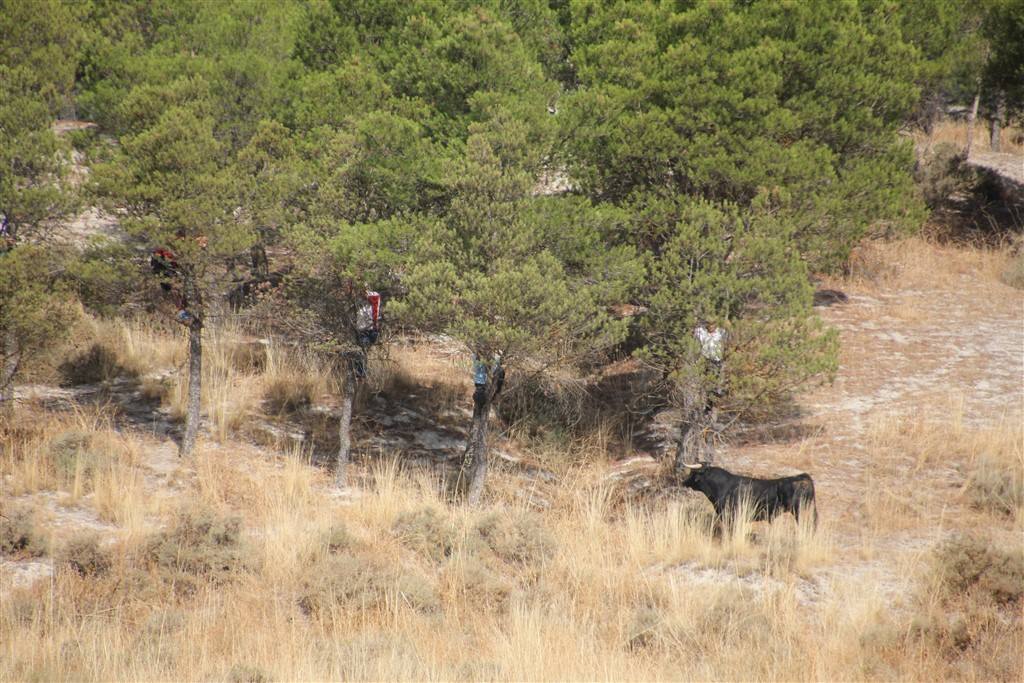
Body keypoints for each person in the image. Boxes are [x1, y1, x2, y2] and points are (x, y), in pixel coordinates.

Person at [694, 320, 726, 417]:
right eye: (709, 324)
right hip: (705, 360)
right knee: (704, 384)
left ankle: (710, 406)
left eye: (713, 324)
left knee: (713, 384)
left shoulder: (721, 332)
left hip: (716, 360)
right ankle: (703, 405)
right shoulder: (701, 332)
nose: (711, 326)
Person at [351, 290, 381, 379]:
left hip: (370, 331)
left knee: (360, 351)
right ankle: (360, 374)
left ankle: (361, 374)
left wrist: (361, 290)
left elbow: (372, 296)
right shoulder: (356, 301)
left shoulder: (374, 296)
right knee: (360, 353)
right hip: (360, 331)